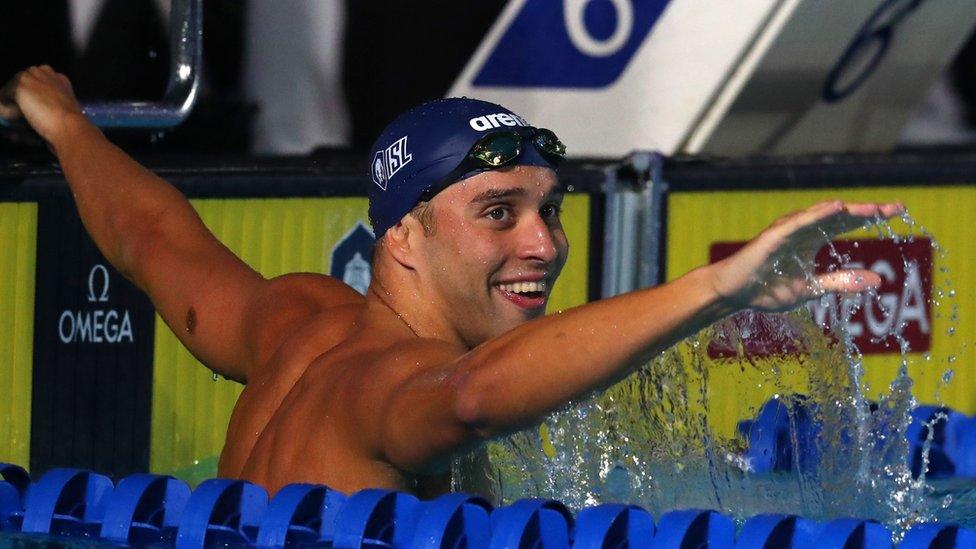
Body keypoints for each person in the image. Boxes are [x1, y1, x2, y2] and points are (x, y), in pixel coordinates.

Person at [0, 65, 903, 498]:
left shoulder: (295, 319)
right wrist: (716, 289)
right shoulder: (388, 385)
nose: (544, 245)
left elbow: (155, 237)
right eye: (498, 212)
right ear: (402, 232)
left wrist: (67, 124)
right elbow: (472, 397)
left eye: (550, 210)